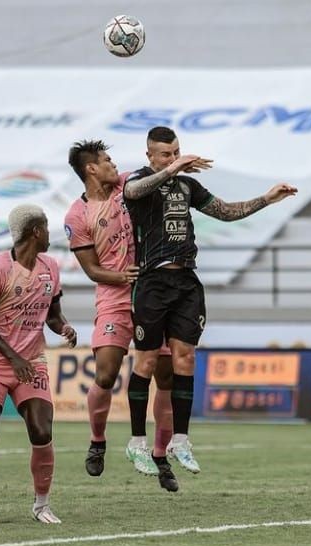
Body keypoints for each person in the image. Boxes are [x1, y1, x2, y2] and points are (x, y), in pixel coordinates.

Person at [123, 126, 297, 491]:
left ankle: (180, 441)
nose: (173, 159)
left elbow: (226, 212)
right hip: (153, 282)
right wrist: (173, 169)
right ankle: (137, 443)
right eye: (165, 154)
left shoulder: (188, 187)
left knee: (185, 358)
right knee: (148, 362)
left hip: (186, 282)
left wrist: (266, 199)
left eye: (176, 153)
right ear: (150, 156)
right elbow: (132, 192)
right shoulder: (138, 181)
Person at [0, 205, 77, 525]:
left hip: (32, 361)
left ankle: (42, 505)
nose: (50, 234)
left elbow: (52, 313)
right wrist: (12, 357)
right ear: (36, 232)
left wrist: (63, 327)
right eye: (47, 228)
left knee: (42, 431)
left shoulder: (51, 267)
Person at [65, 140, 174, 478]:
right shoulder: (77, 214)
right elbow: (91, 269)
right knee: (106, 373)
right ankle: (97, 441)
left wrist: (174, 163)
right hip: (114, 299)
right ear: (91, 168)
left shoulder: (128, 185)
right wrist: (119, 275)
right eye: (107, 160)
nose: (114, 164)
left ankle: (160, 454)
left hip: (153, 295)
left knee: (166, 375)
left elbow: (156, 178)